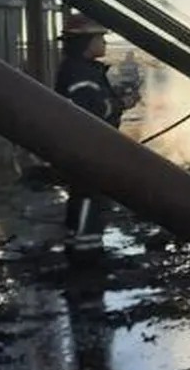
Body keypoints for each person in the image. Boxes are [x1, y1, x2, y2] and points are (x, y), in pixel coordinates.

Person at [54, 13, 138, 262]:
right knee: (88, 197)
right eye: (100, 38)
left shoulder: (81, 70)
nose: (104, 43)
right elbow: (88, 110)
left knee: (84, 196)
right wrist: (121, 103)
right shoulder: (79, 73)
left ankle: (79, 245)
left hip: (86, 147)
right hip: (85, 148)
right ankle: (85, 252)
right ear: (86, 42)